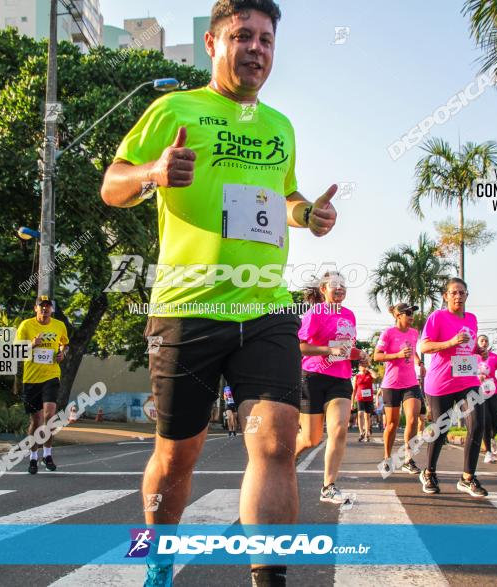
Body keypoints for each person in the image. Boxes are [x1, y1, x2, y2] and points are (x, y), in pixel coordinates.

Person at [100, 1, 338, 584]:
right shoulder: (174, 108)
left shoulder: (280, 126)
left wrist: (309, 212)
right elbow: (112, 184)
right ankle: (159, 555)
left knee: (278, 442)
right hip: (189, 309)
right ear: (212, 44)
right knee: (177, 458)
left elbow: (281, 198)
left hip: (265, 307)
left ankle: (268, 577)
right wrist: (154, 173)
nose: (256, 48)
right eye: (242, 36)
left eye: (266, 39)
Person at [294, 271, 365, 504]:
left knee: (338, 429)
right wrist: (327, 350)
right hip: (313, 376)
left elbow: (345, 349)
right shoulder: (315, 313)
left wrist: (360, 354)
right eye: (334, 285)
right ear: (323, 290)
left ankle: (328, 486)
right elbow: (301, 347)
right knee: (311, 438)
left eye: (343, 285)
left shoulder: (350, 315)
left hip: (341, 378)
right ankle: (284, 461)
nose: (339, 288)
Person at [417, 278, 489, 497]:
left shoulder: (472, 319)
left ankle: (467, 478)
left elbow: (469, 346)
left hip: (467, 379)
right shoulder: (437, 317)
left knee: (477, 424)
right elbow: (424, 346)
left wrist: (478, 351)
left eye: (462, 292)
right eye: (453, 293)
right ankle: (429, 472)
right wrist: (450, 342)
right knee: (441, 430)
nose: (458, 296)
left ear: (467, 295)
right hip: (441, 382)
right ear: (445, 296)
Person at [15, 295, 69, 474]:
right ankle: (33, 457)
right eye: (41, 306)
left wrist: (63, 353)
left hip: (51, 376)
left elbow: (65, 344)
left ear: (52, 309)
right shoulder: (26, 325)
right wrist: (32, 344)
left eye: (48, 307)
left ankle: (48, 455)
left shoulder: (59, 325)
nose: (45, 309)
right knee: (36, 421)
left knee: (50, 415)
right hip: (31, 379)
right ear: (35, 308)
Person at [374, 303, 424, 475]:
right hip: (391, 384)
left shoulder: (414, 332)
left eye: (413, 313)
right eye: (408, 313)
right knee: (392, 424)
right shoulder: (388, 333)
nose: (412, 316)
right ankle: (387, 457)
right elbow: (377, 355)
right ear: (398, 315)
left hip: (410, 383)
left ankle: (408, 459)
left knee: (412, 419)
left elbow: (413, 350)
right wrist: (397, 355)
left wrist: (419, 361)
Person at [476, 334, 497, 464]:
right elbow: (464, 374)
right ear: (477, 343)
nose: (484, 342)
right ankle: (488, 452)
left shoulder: (494, 357)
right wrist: (477, 378)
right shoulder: (473, 358)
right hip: (479, 393)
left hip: (494, 392)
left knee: (496, 422)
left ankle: (492, 437)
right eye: (481, 341)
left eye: (486, 341)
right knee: (486, 422)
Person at [352, 363, 376, 442]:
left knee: (367, 416)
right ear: (359, 367)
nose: (363, 367)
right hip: (359, 398)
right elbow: (354, 390)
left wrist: (369, 369)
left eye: (365, 366)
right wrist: (352, 402)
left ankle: (367, 434)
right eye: (362, 366)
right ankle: (361, 432)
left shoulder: (369, 374)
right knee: (360, 414)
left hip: (369, 398)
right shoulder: (357, 376)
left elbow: (375, 376)